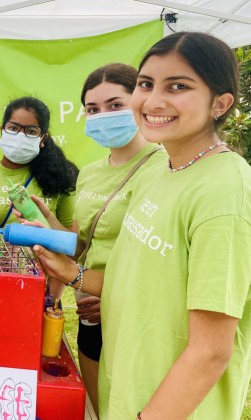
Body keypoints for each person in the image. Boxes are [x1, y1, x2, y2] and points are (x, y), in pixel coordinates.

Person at [34, 32, 251, 419]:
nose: (153, 101)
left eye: (178, 86)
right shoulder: (160, 171)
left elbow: (210, 350)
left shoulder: (225, 192)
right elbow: (134, 278)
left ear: (220, 103)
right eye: (146, 84)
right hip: (125, 382)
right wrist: (74, 274)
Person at [66, 63, 164, 415]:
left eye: (115, 105)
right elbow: (83, 244)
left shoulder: (163, 167)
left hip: (133, 315)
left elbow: (158, 260)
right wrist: (46, 226)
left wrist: (104, 289)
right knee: (97, 407)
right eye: (93, 109)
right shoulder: (90, 172)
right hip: (90, 312)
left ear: (139, 101)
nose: (102, 116)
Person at [0, 96, 77, 229]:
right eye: (13, 128)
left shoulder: (61, 180)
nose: (20, 136)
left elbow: (72, 242)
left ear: (42, 139)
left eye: (31, 131)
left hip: (40, 251)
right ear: (2, 131)